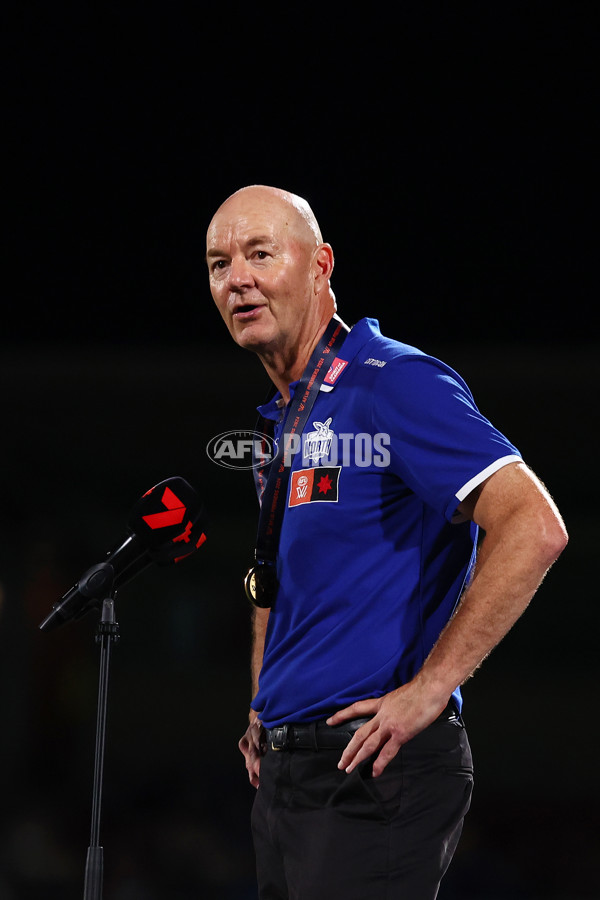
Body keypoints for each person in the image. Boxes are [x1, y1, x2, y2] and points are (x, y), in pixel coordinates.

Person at [205, 185, 568, 900]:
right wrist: (263, 699)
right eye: (219, 264)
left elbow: (534, 524)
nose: (237, 278)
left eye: (260, 254)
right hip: (286, 775)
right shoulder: (282, 420)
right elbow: (276, 574)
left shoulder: (392, 380)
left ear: (320, 265)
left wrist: (433, 688)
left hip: (373, 770)